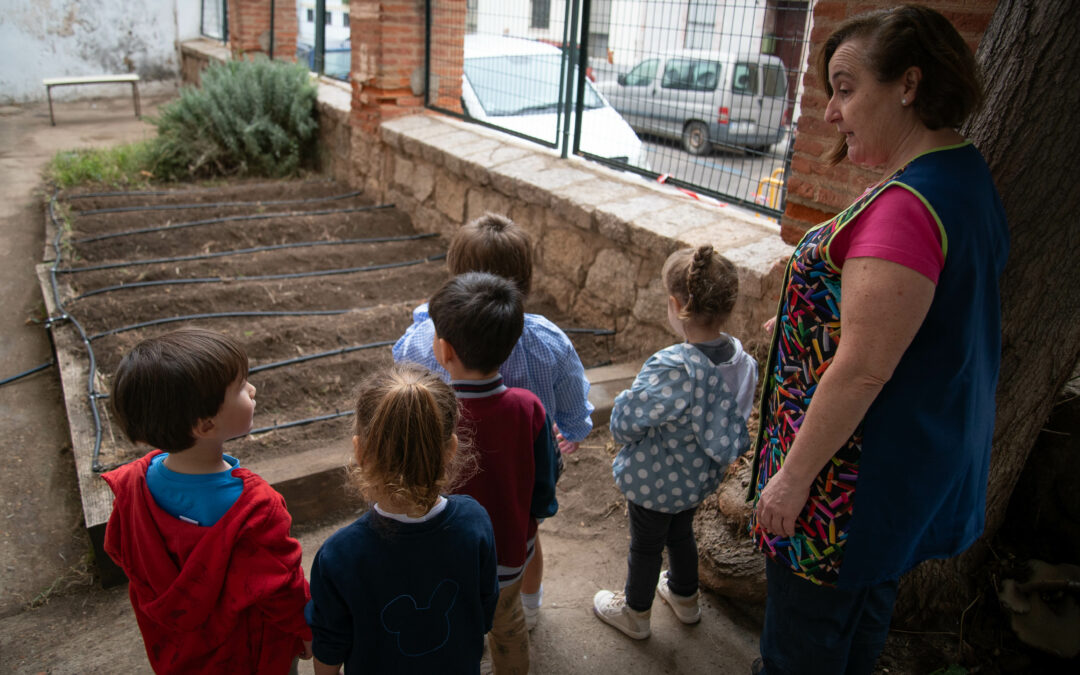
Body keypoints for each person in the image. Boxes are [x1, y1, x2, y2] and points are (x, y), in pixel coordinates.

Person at [748, 5, 1009, 674]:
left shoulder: (909, 206)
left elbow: (863, 369)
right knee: (854, 642)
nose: (831, 113)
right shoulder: (961, 172)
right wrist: (806, 323)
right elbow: (918, 318)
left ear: (908, 85)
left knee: (798, 657)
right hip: (900, 479)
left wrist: (790, 481)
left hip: (843, 493)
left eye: (844, 86)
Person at [394, 212, 590, 629]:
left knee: (449, 537)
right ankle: (527, 609)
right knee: (523, 536)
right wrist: (572, 432)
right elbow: (574, 405)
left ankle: (460, 614)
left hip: (449, 470)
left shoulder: (423, 341)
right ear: (524, 282)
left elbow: (402, 387)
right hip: (525, 467)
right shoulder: (549, 341)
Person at [102, 328, 312, 674]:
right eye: (241, 387)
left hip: (179, 652)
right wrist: (305, 629)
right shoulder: (256, 507)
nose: (253, 390)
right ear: (204, 424)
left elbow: (119, 548)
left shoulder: (132, 483)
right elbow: (281, 587)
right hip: (250, 653)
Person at [593, 245, 758, 639]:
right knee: (681, 532)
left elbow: (629, 420)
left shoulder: (673, 366)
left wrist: (624, 433)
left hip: (656, 479)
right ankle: (685, 598)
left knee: (646, 545)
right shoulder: (742, 361)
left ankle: (635, 613)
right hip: (700, 478)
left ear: (675, 304)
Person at [305, 364, 498, 675]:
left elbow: (328, 647)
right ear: (451, 449)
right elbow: (485, 608)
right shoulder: (475, 521)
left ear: (361, 452)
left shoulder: (339, 555)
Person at [428, 272, 560, 674]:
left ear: (444, 350)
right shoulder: (528, 407)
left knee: (452, 627)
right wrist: (534, 520)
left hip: (446, 557)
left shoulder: (435, 412)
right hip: (510, 549)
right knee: (508, 627)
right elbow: (544, 480)